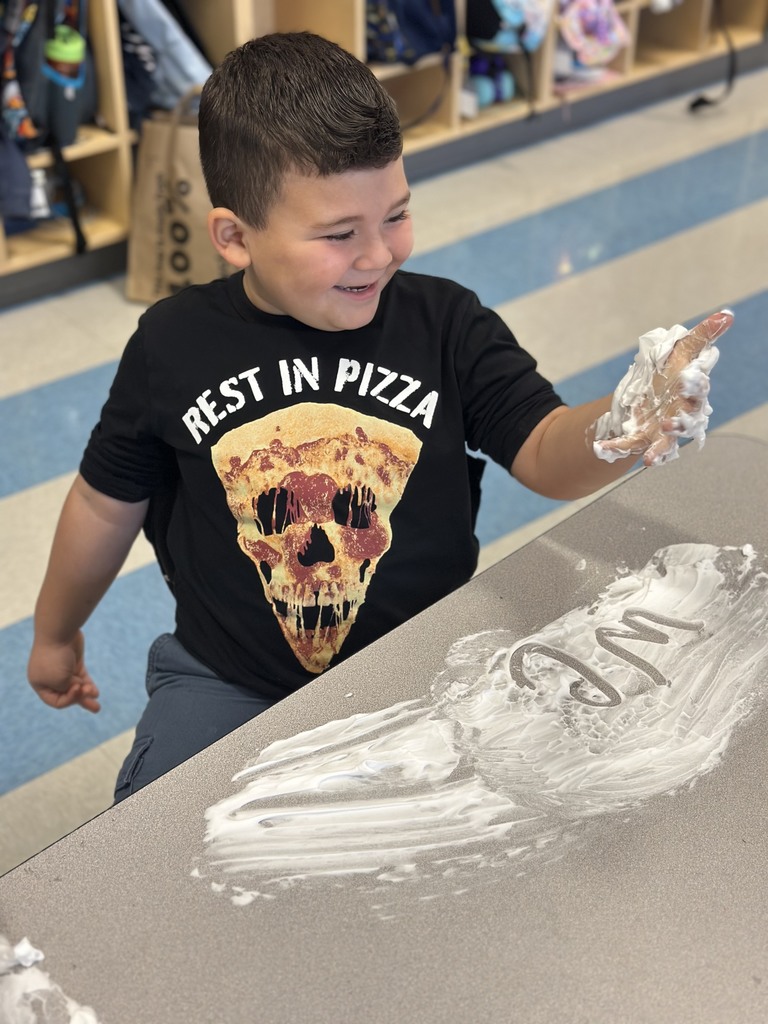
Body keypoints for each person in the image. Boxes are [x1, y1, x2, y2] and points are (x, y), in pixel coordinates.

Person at [26, 32, 731, 802]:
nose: (378, 255)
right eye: (338, 235)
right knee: (152, 852)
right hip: (228, 680)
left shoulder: (446, 325)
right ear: (234, 237)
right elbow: (104, 502)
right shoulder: (172, 344)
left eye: (395, 215)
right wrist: (56, 634)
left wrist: (626, 416)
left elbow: (543, 447)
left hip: (429, 668)